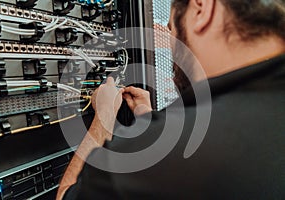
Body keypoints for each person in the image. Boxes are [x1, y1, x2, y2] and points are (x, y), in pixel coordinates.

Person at [57, 0, 285, 199]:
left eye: (170, 29)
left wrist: (104, 117)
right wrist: (148, 117)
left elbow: (67, 195)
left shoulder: (176, 157)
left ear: (201, 8)